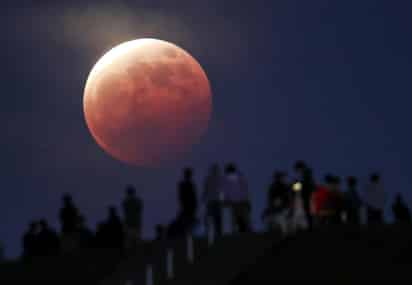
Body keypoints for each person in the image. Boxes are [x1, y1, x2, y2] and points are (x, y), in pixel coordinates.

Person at [220, 163, 251, 233]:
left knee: (235, 219)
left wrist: (223, 201)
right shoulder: (241, 177)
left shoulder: (225, 179)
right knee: (243, 218)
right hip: (241, 202)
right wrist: (247, 200)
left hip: (234, 203)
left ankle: (237, 232)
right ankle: (246, 232)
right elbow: (245, 189)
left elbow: (224, 192)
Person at [202, 164, 223, 237]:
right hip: (216, 201)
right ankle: (218, 233)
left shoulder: (209, 179)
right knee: (217, 218)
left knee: (210, 218)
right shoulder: (219, 179)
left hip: (211, 201)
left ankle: (209, 232)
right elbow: (222, 190)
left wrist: (203, 198)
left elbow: (205, 190)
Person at [294, 161, 315, 229]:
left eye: (297, 169)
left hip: (307, 195)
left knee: (308, 210)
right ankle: (307, 225)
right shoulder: (302, 176)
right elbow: (297, 188)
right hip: (304, 195)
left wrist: (297, 188)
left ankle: (309, 226)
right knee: (306, 211)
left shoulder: (306, 175)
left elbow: (299, 187)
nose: (297, 171)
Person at [178, 168, 198, 233]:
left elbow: (181, 197)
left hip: (188, 207)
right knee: (189, 223)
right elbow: (193, 197)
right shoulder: (188, 185)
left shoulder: (183, 185)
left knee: (188, 222)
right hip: (188, 207)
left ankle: (187, 234)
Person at [122, 185, 143, 249]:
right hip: (135, 224)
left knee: (129, 243)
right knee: (136, 242)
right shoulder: (138, 201)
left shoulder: (126, 202)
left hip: (130, 225)